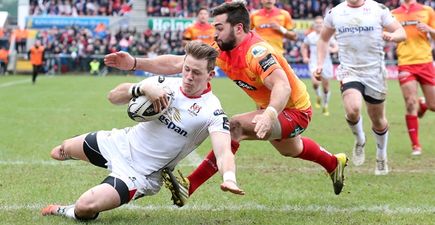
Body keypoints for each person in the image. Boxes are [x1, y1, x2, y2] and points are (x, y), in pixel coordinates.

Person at [104, 1, 348, 208]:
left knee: (234, 127)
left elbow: (282, 86)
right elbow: (180, 63)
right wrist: (135, 63)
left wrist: (270, 113)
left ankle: (190, 184)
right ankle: (333, 162)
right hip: (272, 108)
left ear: (238, 28)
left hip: (293, 111)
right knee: (290, 150)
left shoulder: (257, 52)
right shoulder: (222, 49)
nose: (215, 33)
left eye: (219, 28)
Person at [41, 41, 244, 221]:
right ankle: (79, 153)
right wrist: (142, 88)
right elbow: (113, 97)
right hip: (120, 142)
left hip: (140, 173)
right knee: (60, 151)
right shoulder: (164, 83)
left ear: (211, 74)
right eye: (186, 69)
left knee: (85, 207)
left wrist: (229, 178)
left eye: (197, 73)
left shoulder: (213, 111)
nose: (189, 77)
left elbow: (223, 151)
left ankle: (67, 210)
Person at [316, 0, 406, 175]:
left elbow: (402, 32)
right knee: (353, 109)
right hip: (349, 71)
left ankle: (381, 156)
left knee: (378, 120)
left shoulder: (378, 9)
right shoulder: (335, 12)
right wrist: (319, 64)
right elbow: (323, 39)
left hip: (374, 73)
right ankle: (360, 139)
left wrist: (392, 37)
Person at [391, 0, 435, 156]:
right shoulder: (393, 14)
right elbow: (387, 34)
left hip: (426, 62)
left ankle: (423, 105)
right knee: (410, 102)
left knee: (433, 105)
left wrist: (429, 29)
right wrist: (389, 36)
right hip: (406, 63)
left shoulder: (427, 10)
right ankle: (416, 145)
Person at [301, 16, 338, 116]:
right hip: (314, 63)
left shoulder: (328, 36)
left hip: (326, 64)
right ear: (314, 25)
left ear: (324, 25)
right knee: (315, 83)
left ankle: (325, 105)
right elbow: (304, 47)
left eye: (321, 23)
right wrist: (305, 57)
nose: (318, 25)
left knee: (326, 88)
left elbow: (336, 47)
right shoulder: (310, 36)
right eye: (317, 23)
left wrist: (332, 50)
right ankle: (318, 96)